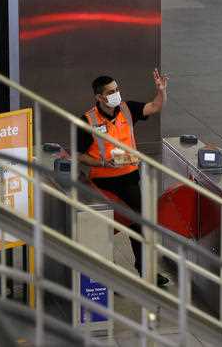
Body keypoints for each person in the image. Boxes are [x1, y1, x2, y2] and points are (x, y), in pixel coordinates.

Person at [77, 70, 169, 286]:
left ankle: (146, 271)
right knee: (104, 227)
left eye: (117, 90)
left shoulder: (127, 110)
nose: (116, 94)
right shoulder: (87, 120)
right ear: (99, 97)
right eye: (111, 92)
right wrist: (101, 162)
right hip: (102, 181)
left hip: (128, 178)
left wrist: (161, 91)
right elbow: (78, 155)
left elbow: (155, 106)